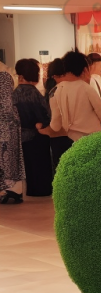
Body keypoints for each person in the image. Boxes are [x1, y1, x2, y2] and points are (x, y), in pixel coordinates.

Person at [49, 50, 101, 145]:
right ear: (85, 70)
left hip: (69, 141)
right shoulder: (86, 88)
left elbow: (55, 125)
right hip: (90, 140)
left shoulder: (55, 91)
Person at [13, 58, 53, 196]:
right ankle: (42, 191)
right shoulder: (34, 93)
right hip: (37, 135)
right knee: (40, 166)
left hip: (21, 135)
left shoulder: (14, 93)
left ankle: (31, 191)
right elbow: (46, 115)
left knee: (29, 167)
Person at [39, 58, 72, 170]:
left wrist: (43, 130)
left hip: (56, 137)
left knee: (60, 169)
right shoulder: (66, 90)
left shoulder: (51, 91)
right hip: (69, 135)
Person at [0, 71, 25, 204]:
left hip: (5, 127)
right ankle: (13, 190)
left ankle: (11, 190)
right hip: (7, 127)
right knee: (8, 159)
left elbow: (6, 105)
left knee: (7, 160)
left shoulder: (3, 77)